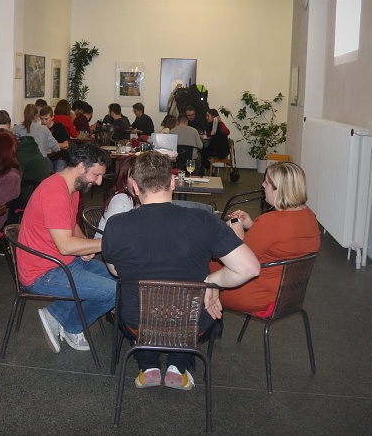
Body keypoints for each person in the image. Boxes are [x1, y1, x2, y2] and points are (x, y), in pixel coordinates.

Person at [102, 151, 260, 390]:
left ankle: (148, 366)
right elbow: (250, 268)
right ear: (173, 182)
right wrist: (212, 281)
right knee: (191, 312)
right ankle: (178, 367)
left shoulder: (116, 225)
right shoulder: (204, 220)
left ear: (134, 186)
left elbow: (116, 271)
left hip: (137, 322)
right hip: (194, 323)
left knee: (133, 297)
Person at [18, 143, 115, 353]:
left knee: (119, 279)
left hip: (61, 262)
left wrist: (85, 245)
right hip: (42, 273)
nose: (99, 182)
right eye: (97, 175)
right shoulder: (55, 192)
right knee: (116, 292)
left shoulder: (72, 188)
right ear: (81, 167)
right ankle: (72, 326)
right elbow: (65, 246)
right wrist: (110, 242)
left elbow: (71, 225)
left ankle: (55, 314)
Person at [212, 162, 320, 315]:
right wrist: (252, 226)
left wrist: (236, 226)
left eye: (267, 183)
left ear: (279, 190)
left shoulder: (270, 222)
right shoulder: (309, 216)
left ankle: (205, 318)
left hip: (252, 295)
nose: (263, 185)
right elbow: (283, 242)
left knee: (203, 259)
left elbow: (240, 262)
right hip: (287, 296)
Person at [96, 155, 139, 237]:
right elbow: (115, 236)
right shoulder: (121, 200)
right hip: (105, 244)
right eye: (133, 177)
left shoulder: (141, 199)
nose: (138, 181)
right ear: (124, 181)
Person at [199, 108, 230, 175]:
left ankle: (212, 169)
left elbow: (227, 132)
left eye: (208, 116)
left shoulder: (220, 124)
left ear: (213, 117)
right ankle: (211, 169)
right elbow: (209, 134)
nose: (206, 118)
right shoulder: (211, 124)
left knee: (202, 154)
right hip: (215, 147)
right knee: (201, 152)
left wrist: (220, 122)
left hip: (221, 150)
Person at [40, 105, 70, 172]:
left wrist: (52, 145)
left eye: (46, 119)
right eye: (42, 119)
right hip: (44, 158)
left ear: (52, 117)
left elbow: (66, 145)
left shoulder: (59, 127)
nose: (44, 122)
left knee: (59, 170)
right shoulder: (39, 129)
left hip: (59, 158)